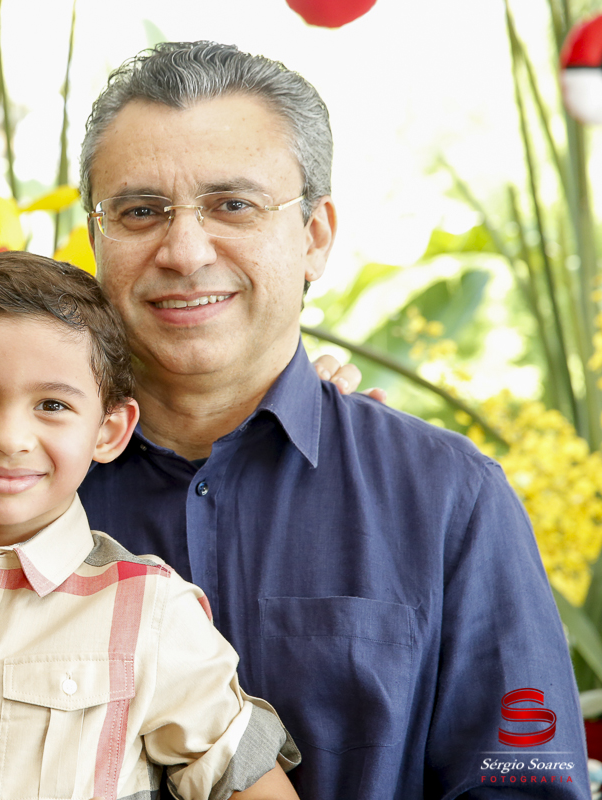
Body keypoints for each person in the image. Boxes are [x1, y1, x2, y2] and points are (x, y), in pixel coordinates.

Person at [75, 40, 589, 798]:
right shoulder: (11, 493)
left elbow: (524, 786)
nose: (184, 251)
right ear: (96, 238)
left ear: (314, 236)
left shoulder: (448, 498)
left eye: (233, 205)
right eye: (141, 211)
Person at [0, 251, 301, 800]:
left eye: (52, 405)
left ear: (108, 430)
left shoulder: (146, 610)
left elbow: (249, 783)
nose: (10, 438)